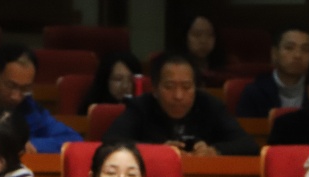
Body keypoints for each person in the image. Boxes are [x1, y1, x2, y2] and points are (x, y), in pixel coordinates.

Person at [103, 53, 259, 157]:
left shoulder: (210, 105)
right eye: (169, 87)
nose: (178, 96)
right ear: (155, 89)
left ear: (196, 88)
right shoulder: (141, 107)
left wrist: (215, 151)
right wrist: (158, 151)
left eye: (186, 87)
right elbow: (111, 141)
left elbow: (249, 146)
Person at [235, 27, 309, 118]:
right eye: (289, 48)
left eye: (305, 49)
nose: (298, 55)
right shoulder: (254, 92)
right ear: (274, 53)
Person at [177, 15, 228, 86]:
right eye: (197, 34)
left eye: (210, 34)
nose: (203, 41)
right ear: (185, 37)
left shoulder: (225, 66)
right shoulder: (175, 66)